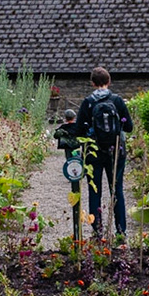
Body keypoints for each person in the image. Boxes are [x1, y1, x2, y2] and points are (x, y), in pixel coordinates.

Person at [75, 66, 133, 241]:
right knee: (117, 190)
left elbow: (78, 130)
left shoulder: (88, 102)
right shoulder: (117, 101)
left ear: (92, 83)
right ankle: (121, 231)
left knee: (95, 191)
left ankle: (97, 231)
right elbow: (129, 127)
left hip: (94, 152)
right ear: (109, 82)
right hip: (116, 152)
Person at [53, 108, 85, 240]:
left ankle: (72, 173)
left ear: (65, 117)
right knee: (78, 158)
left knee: (69, 160)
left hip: (67, 147)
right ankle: (80, 173)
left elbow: (56, 135)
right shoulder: (78, 126)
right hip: (77, 146)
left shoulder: (63, 127)